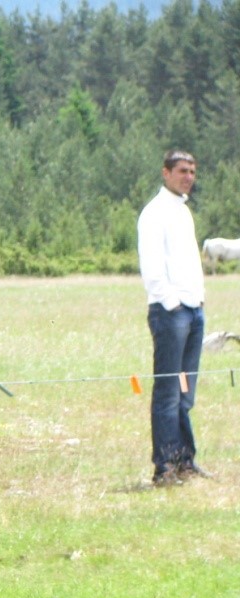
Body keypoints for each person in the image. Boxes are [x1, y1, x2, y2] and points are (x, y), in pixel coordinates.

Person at [137, 150, 207, 486]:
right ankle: (164, 466)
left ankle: (185, 461)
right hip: (171, 314)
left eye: (192, 171)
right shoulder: (154, 213)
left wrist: (197, 303)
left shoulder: (183, 212)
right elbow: (152, 268)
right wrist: (172, 304)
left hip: (194, 311)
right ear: (166, 173)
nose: (188, 177)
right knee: (168, 392)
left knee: (185, 392)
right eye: (182, 171)